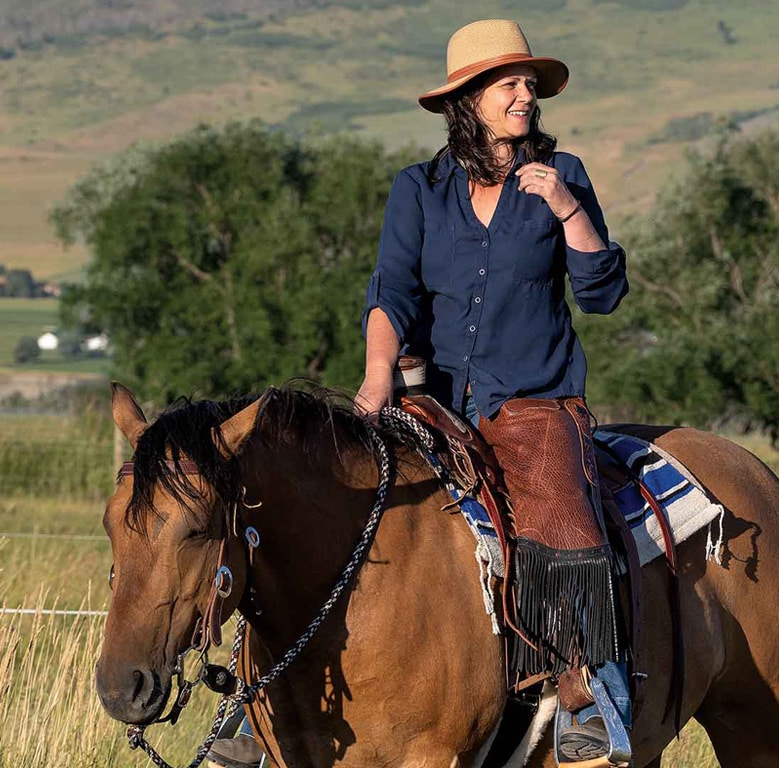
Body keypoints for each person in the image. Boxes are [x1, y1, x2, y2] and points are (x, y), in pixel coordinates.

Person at [209, 18, 630, 768]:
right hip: (425, 394)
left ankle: (589, 699)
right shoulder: (420, 187)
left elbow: (601, 294)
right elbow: (392, 292)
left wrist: (568, 210)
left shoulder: (562, 174)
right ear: (468, 99)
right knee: (316, 505)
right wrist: (377, 379)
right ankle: (252, 706)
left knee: (562, 517)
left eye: (529, 84)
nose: (524, 95)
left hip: (531, 399)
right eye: (508, 83)